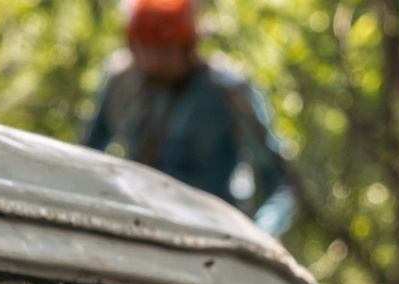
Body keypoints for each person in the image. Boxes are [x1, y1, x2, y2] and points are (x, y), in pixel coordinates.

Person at [82, 0, 296, 235]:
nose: (153, 62)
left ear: (189, 46)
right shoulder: (120, 84)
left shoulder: (227, 92)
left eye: (165, 51)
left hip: (217, 233)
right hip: (141, 229)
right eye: (144, 49)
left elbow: (281, 182)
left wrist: (259, 235)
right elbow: (85, 159)